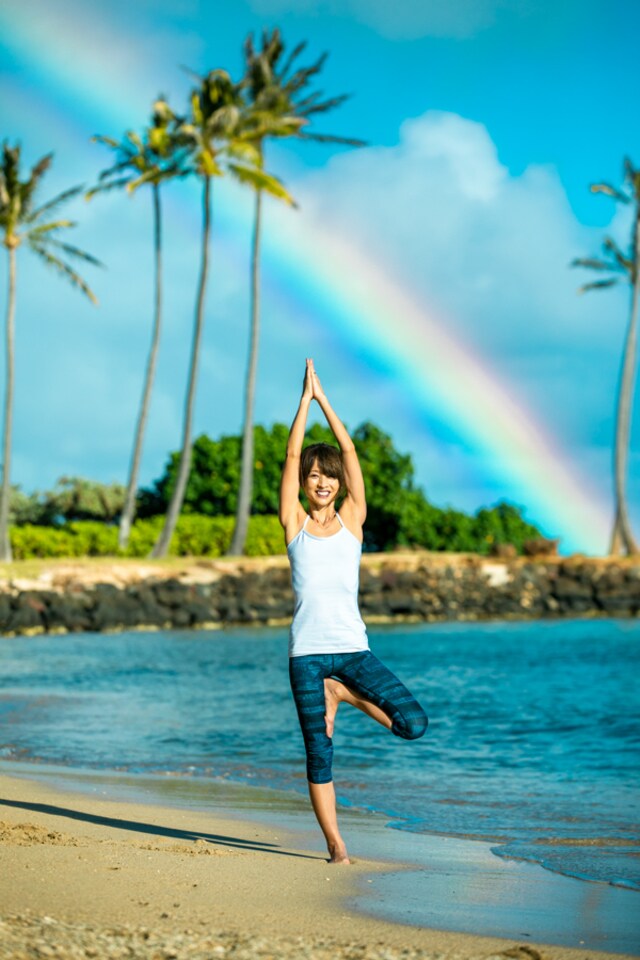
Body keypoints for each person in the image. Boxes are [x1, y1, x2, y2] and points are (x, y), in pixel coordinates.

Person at [279, 358, 428, 864]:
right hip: (307, 658)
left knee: (412, 724)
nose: (322, 482)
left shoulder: (353, 522)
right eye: (314, 476)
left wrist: (325, 401)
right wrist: (302, 403)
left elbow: (348, 448)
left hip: (354, 652)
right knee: (319, 755)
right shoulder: (293, 523)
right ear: (304, 482)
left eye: (329, 477)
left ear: (340, 484)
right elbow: (295, 449)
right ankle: (336, 847)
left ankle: (343, 692)